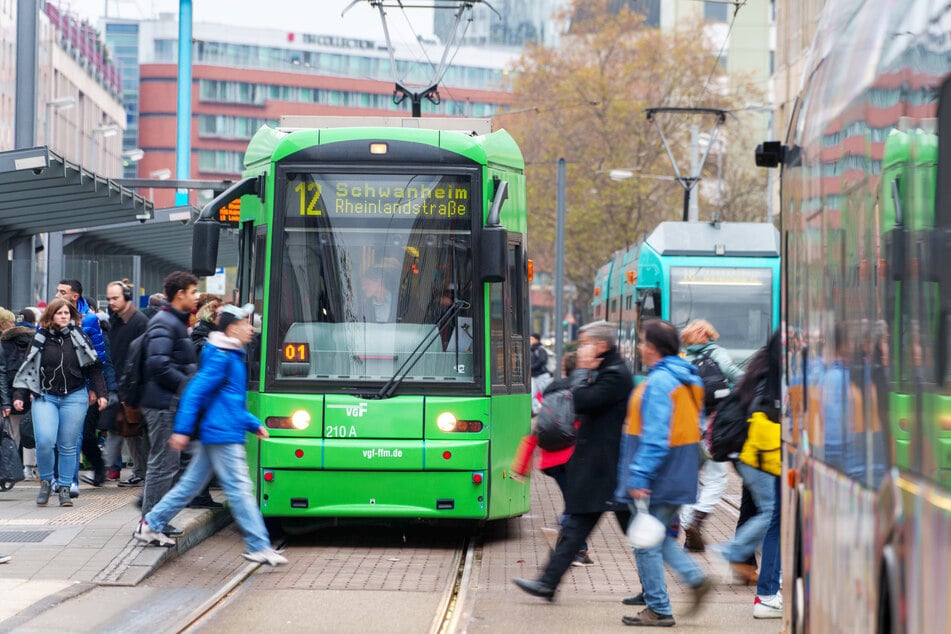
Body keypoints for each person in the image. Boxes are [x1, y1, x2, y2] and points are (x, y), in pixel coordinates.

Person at [133, 304, 287, 566]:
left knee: (190, 486)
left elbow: (227, 401)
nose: (251, 328)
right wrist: (181, 430)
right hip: (221, 434)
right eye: (245, 323)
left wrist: (252, 423)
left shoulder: (230, 354)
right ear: (231, 328)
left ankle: (152, 523)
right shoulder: (221, 357)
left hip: (220, 430)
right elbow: (196, 392)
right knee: (239, 489)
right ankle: (258, 545)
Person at [513, 321, 633, 601]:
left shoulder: (614, 374)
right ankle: (547, 583)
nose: (581, 349)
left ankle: (678, 580)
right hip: (598, 468)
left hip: (606, 469)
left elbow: (582, 401)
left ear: (601, 346)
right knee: (576, 528)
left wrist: (580, 369)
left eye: (585, 343)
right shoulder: (606, 369)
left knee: (636, 534)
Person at [615, 319, 712, 627]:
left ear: (653, 348)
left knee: (645, 542)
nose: (640, 347)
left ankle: (658, 607)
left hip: (659, 474)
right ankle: (694, 578)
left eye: (643, 342)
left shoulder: (659, 383)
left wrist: (640, 476)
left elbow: (656, 436)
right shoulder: (688, 378)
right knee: (655, 537)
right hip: (679, 469)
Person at [712, 330, 782, 618]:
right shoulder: (772, 375)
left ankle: (763, 578)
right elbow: (763, 415)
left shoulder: (761, 364)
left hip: (747, 454)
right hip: (757, 455)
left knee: (762, 511)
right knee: (771, 513)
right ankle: (733, 552)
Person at [12, 299, 108, 507]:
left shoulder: (79, 337)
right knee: (45, 441)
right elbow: (28, 368)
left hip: (75, 396)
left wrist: (101, 393)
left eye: (67, 313)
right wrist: (19, 395)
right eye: (59, 313)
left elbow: (94, 368)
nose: (64, 316)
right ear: (51, 316)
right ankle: (47, 481)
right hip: (45, 396)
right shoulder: (40, 338)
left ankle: (65, 487)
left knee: (68, 445)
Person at [511, 351, 593, 566]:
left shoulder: (551, 391)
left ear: (565, 369)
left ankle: (579, 549)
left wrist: (521, 466)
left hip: (550, 461)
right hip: (571, 459)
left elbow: (538, 430)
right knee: (576, 506)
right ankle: (572, 545)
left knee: (575, 502)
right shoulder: (583, 393)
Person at [678, 319, 744, 552]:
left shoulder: (684, 359)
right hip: (714, 426)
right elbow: (737, 375)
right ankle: (695, 520)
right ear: (706, 335)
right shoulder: (717, 353)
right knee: (717, 477)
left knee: (691, 479)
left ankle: (688, 529)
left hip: (691, 425)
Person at [138, 272, 199, 519]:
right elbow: (159, 364)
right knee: (163, 466)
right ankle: (150, 522)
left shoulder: (173, 321)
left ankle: (156, 520)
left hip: (167, 401)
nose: (196, 297)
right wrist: (187, 386)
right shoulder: (166, 322)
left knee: (167, 465)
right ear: (180, 294)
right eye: (193, 292)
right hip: (163, 403)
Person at [56, 280, 118, 496]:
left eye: (62, 291)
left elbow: (100, 359)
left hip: (85, 388)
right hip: (59, 388)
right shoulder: (53, 318)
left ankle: (72, 479)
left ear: (74, 297)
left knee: (82, 435)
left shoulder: (90, 322)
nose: (57, 294)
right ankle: (62, 477)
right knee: (64, 435)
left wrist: (101, 391)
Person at [103, 280, 150, 487]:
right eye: (109, 298)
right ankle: (136, 471)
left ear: (127, 297)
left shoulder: (138, 321)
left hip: (133, 385)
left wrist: (134, 385)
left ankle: (141, 472)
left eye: (116, 298)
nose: (111, 302)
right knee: (125, 428)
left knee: (133, 430)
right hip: (120, 382)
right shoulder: (115, 320)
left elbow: (141, 354)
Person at [7, 309, 38, 480]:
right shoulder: (36, 338)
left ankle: (12, 468)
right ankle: (29, 468)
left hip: (13, 391)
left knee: (14, 432)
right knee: (30, 429)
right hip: (31, 389)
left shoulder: (6, 340)